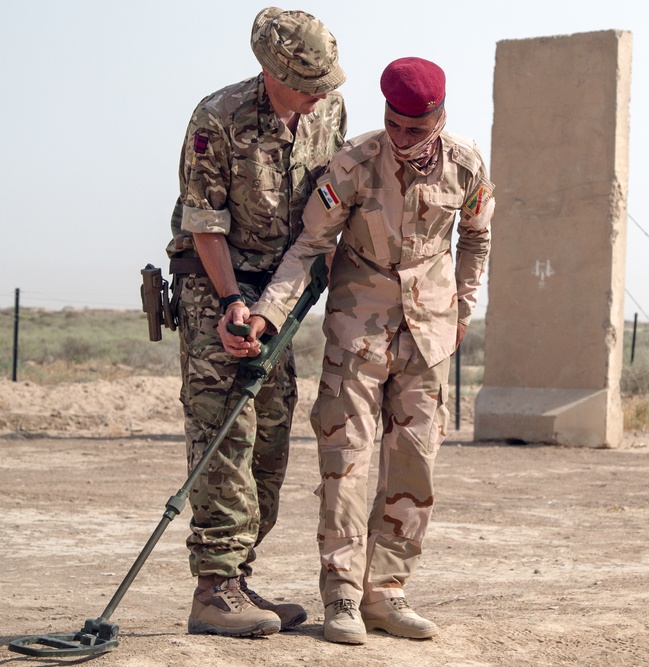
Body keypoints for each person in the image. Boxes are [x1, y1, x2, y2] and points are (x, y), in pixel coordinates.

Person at [221, 56, 494, 644]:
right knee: (345, 458)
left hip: (430, 331)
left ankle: (387, 593)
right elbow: (309, 246)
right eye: (394, 124)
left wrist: (464, 309)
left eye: (415, 130)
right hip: (358, 328)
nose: (402, 139)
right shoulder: (352, 165)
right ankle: (342, 595)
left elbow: (476, 237)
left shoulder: (467, 165)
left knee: (416, 459)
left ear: (440, 118)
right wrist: (268, 313)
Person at [164, 6, 347, 638]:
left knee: (270, 433)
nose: (317, 95)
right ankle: (213, 588)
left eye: (324, 83)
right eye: (305, 82)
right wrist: (228, 304)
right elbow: (203, 223)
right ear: (270, 71)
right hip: (215, 286)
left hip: (279, 296)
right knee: (226, 429)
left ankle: (239, 576)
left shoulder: (328, 110)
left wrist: (278, 302)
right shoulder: (217, 117)